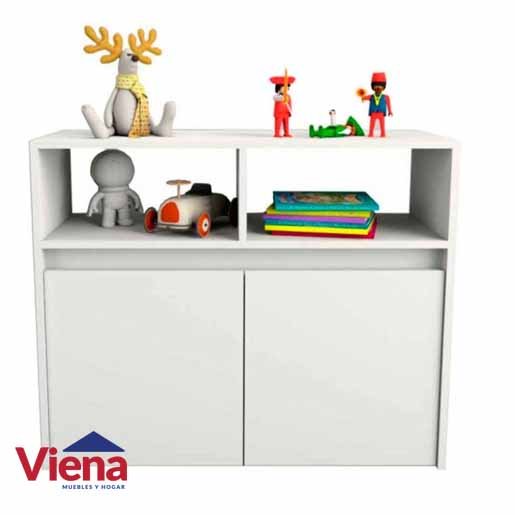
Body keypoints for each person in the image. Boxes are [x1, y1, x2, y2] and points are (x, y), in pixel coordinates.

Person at [361, 72, 393, 137]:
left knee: (382, 124)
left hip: (381, 113)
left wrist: (390, 111)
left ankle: (383, 134)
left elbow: (388, 104)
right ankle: (371, 133)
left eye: (380, 86)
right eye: (376, 86)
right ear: (373, 87)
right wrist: (363, 98)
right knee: (372, 124)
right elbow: (364, 98)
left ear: (383, 87)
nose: (378, 87)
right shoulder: (371, 96)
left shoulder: (386, 97)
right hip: (373, 113)